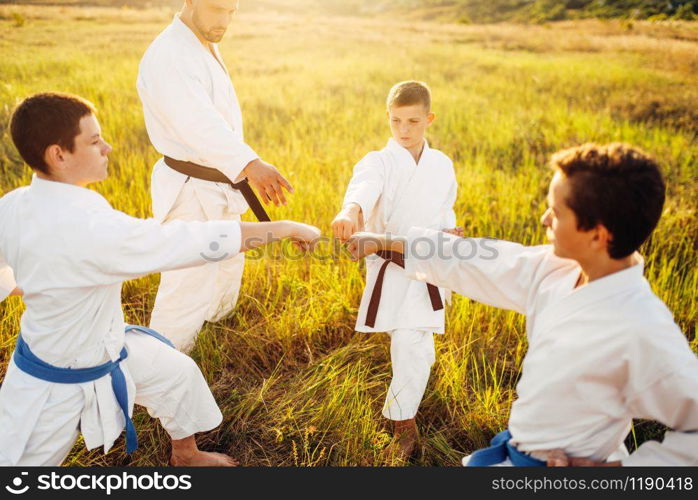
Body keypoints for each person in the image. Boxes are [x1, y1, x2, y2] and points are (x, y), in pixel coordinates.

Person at [0, 92, 320, 466]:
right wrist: (282, 228)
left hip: (108, 346)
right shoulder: (91, 227)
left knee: (176, 374)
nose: (108, 147)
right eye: (93, 140)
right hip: (52, 382)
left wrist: (21, 285)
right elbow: (185, 241)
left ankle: (187, 455)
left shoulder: (16, 203)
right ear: (59, 155)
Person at [346, 143, 698, 466]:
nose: (545, 218)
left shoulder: (641, 327)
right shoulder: (556, 270)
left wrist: (623, 471)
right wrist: (383, 241)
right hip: (514, 452)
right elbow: (478, 260)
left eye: (557, 213)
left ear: (598, 234)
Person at [137, 0, 294, 352]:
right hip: (192, 189)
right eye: (216, 9)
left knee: (225, 267)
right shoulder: (171, 55)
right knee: (187, 286)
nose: (224, 21)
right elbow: (198, 124)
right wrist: (251, 164)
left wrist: (243, 165)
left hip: (219, 180)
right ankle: (159, 369)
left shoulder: (201, 43)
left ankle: (215, 339)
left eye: (231, 12)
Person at [331, 81, 460, 459]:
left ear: (429, 119)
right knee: (411, 339)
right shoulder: (379, 160)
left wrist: (450, 229)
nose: (403, 131)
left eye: (413, 122)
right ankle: (405, 415)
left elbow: (446, 206)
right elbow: (363, 188)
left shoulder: (441, 164)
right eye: (396, 121)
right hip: (390, 261)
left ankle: (402, 422)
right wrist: (350, 210)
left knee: (412, 341)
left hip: (430, 258)